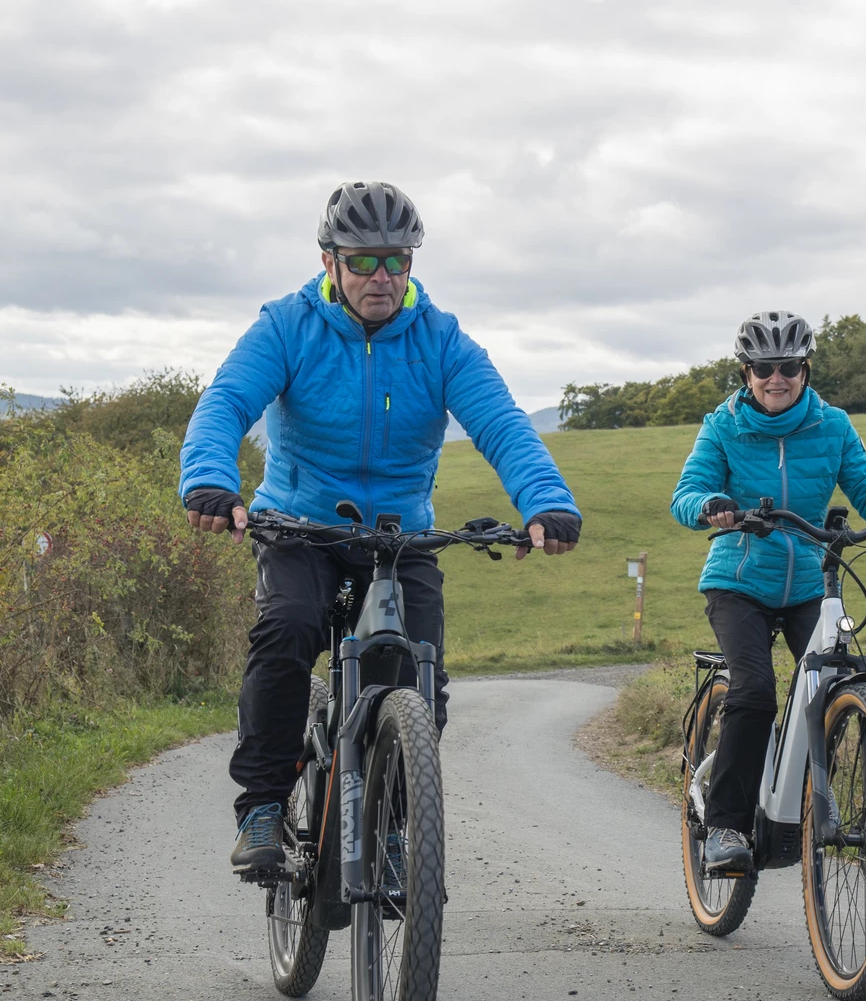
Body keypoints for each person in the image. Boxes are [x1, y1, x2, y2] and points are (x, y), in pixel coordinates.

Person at [179, 181, 581, 873]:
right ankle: (264, 807)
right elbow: (225, 403)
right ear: (329, 261)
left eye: (397, 260)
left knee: (418, 676)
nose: (382, 277)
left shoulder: (441, 341)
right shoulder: (287, 326)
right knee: (287, 631)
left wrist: (546, 502)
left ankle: (394, 827)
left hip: (400, 537)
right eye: (363, 261)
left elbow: (503, 425)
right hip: (300, 527)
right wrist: (210, 482)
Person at [669, 311, 866, 874]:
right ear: (747, 374)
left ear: (805, 370)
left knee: (831, 680)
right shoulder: (722, 426)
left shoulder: (832, 425)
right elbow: (687, 492)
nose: (777, 378)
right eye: (764, 368)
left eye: (789, 367)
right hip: (739, 582)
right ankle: (724, 825)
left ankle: (813, 795)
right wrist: (710, 506)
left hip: (809, 583)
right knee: (755, 691)